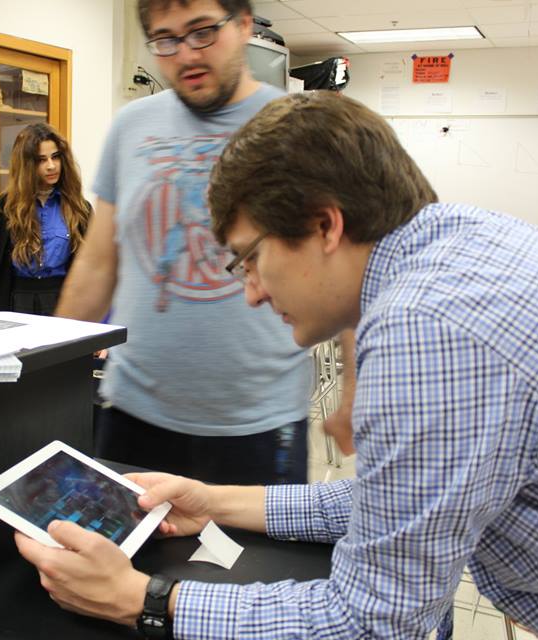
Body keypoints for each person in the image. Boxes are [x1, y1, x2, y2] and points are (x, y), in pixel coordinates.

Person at [14, 92, 538, 639]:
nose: (251, 291)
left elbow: (378, 623)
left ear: (325, 226)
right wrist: (219, 502)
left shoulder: (425, 329)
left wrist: (144, 599)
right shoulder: (462, 243)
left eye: (250, 258)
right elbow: (408, 497)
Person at [55, 0, 356, 486]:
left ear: (242, 26)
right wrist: (43, 381)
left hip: (259, 424)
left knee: (258, 565)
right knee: (121, 559)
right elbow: (97, 266)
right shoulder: (131, 128)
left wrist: (355, 392)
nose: (187, 55)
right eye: (166, 40)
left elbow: (351, 270)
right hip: (134, 416)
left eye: (202, 32)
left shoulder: (298, 128)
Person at [0, 123, 91, 316]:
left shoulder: (79, 208)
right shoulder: (3, 208)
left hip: (62, 302)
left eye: (56, 157)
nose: (51, 166)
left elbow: (89, 272)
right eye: (41, 160)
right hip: (16, 302)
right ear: (27, 165)